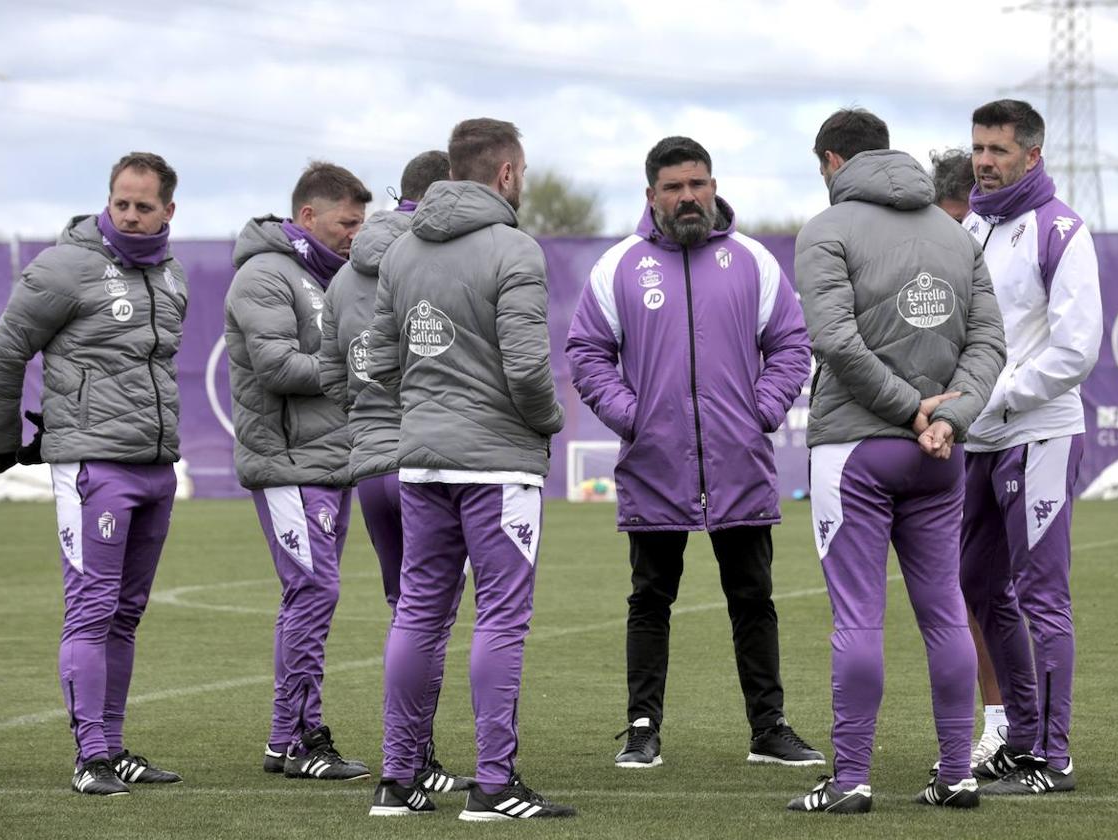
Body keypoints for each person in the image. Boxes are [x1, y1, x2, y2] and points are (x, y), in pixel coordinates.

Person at [566, 136, 822, 771]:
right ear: (650, 194)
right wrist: (633, 418)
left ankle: (769, 729)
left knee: (753, 598)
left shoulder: (754, 260)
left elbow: (792, 344)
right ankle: (642, 729)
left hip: (739, 463)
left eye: (698, 184)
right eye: (675, 187)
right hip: (655, 464)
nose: (688, 197)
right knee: (650, 600)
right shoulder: (619, 266)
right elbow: (586, 353)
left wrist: (760, 411)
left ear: (713, 186)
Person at [788, 109, 1006, 814]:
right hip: (938, 457)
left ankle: (850, 779)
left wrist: (910, 408)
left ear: (831, 162)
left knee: (857, 618)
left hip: (855, 449)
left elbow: (835, 341)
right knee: (944, 613)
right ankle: (956, 773)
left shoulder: (826, 229)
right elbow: (988, 346)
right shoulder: (956, 233)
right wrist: (946, 416)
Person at [364, 118, 574, 820]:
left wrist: (428, 410)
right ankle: (493, 784)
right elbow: (526, 367)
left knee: (419, 614)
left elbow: (383, 361)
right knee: (501, 618)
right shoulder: (515, 249)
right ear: (508, 174)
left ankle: (398, 779)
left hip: (420, 462)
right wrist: (548, 421)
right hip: (498, 464)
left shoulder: (400, 253)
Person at [0, 152, 188, 796]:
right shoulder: (65, 266)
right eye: (120, 202)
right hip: (92, 467)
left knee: (126, 613)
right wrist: (7, 444)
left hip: (155, 468)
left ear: (168, 212)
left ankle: (115, 747)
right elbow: (1, 353)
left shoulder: (171, 274)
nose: (129, 214)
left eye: (143, 206)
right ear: (108, 200)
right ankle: (90, 755)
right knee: (92, 610)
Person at [318, 150, 473, 793]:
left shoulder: (342, 275)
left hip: (370, 461)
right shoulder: (442, 258)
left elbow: (331, 375)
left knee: (405, 614)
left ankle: (410, 760)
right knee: (433, 618)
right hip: (427, 459)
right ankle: (413, 762)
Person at [959, 99, 1102, 796]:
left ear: (1032, 155)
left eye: (997, 149)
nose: (984, 161)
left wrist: (1002, 395)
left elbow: (1077, 350)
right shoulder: (971, 226)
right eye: (978, 147)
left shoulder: (1062, 229)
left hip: (1039, 432)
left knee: (1042, 594)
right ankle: (1019, 735)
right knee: (978, 585)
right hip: (978, 438)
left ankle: (1055, 755)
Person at [224, 161, 372, 781]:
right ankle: (305, 737)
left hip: (330, 462)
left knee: (308, 596)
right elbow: (277, 368)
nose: (355, 235)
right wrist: (357, 370)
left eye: (362, 224)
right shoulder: (264, 274)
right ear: (308, 217)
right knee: (314, 591)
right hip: (288, 463)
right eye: (347, 222)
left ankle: (286, 739)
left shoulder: (328, 276)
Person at [931, 147, 1009, 768]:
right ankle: (998, 722)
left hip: (1006, 435)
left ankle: (1021, 724)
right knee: (963, 590)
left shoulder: (1007, 247)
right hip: (952, 439)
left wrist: (976, 398)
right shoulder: (927, 252)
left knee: (1012, 592)